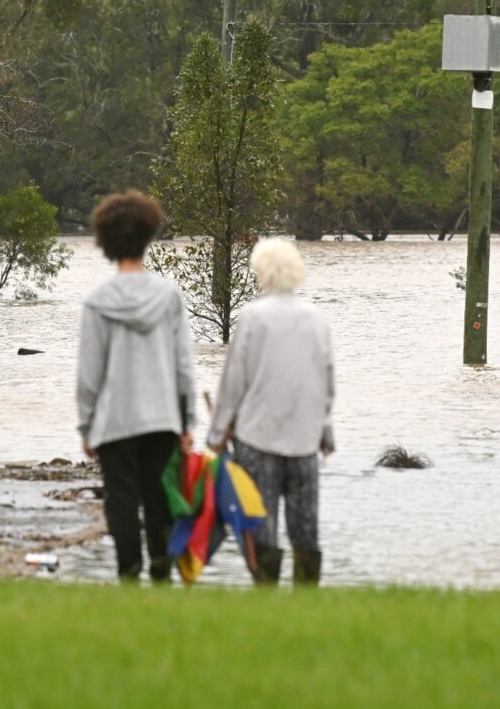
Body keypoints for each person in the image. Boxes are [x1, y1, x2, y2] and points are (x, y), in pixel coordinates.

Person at [77, 190, 195, 584]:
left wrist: (86, 425)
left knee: (122, 502)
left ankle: (129, 574)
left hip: (115, 421)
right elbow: (183, 365)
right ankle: (162, 573)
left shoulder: (97, 302)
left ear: (105, 241)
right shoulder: (169, 296)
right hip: (162, 417)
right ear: (149, 235)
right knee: (159, 499)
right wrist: (187, 420)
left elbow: (89, 373)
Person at [207, 237, 334, 587]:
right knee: (305, 526)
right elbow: (324, 382)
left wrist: (216, 436)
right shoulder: (316, 319)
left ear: (261, 272)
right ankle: (307, 598)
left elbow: (233, 383)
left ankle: (266, 595)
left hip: (256, 438)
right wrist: (325, 432)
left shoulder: (251, 317)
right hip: (304, 439)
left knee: (262, 524)